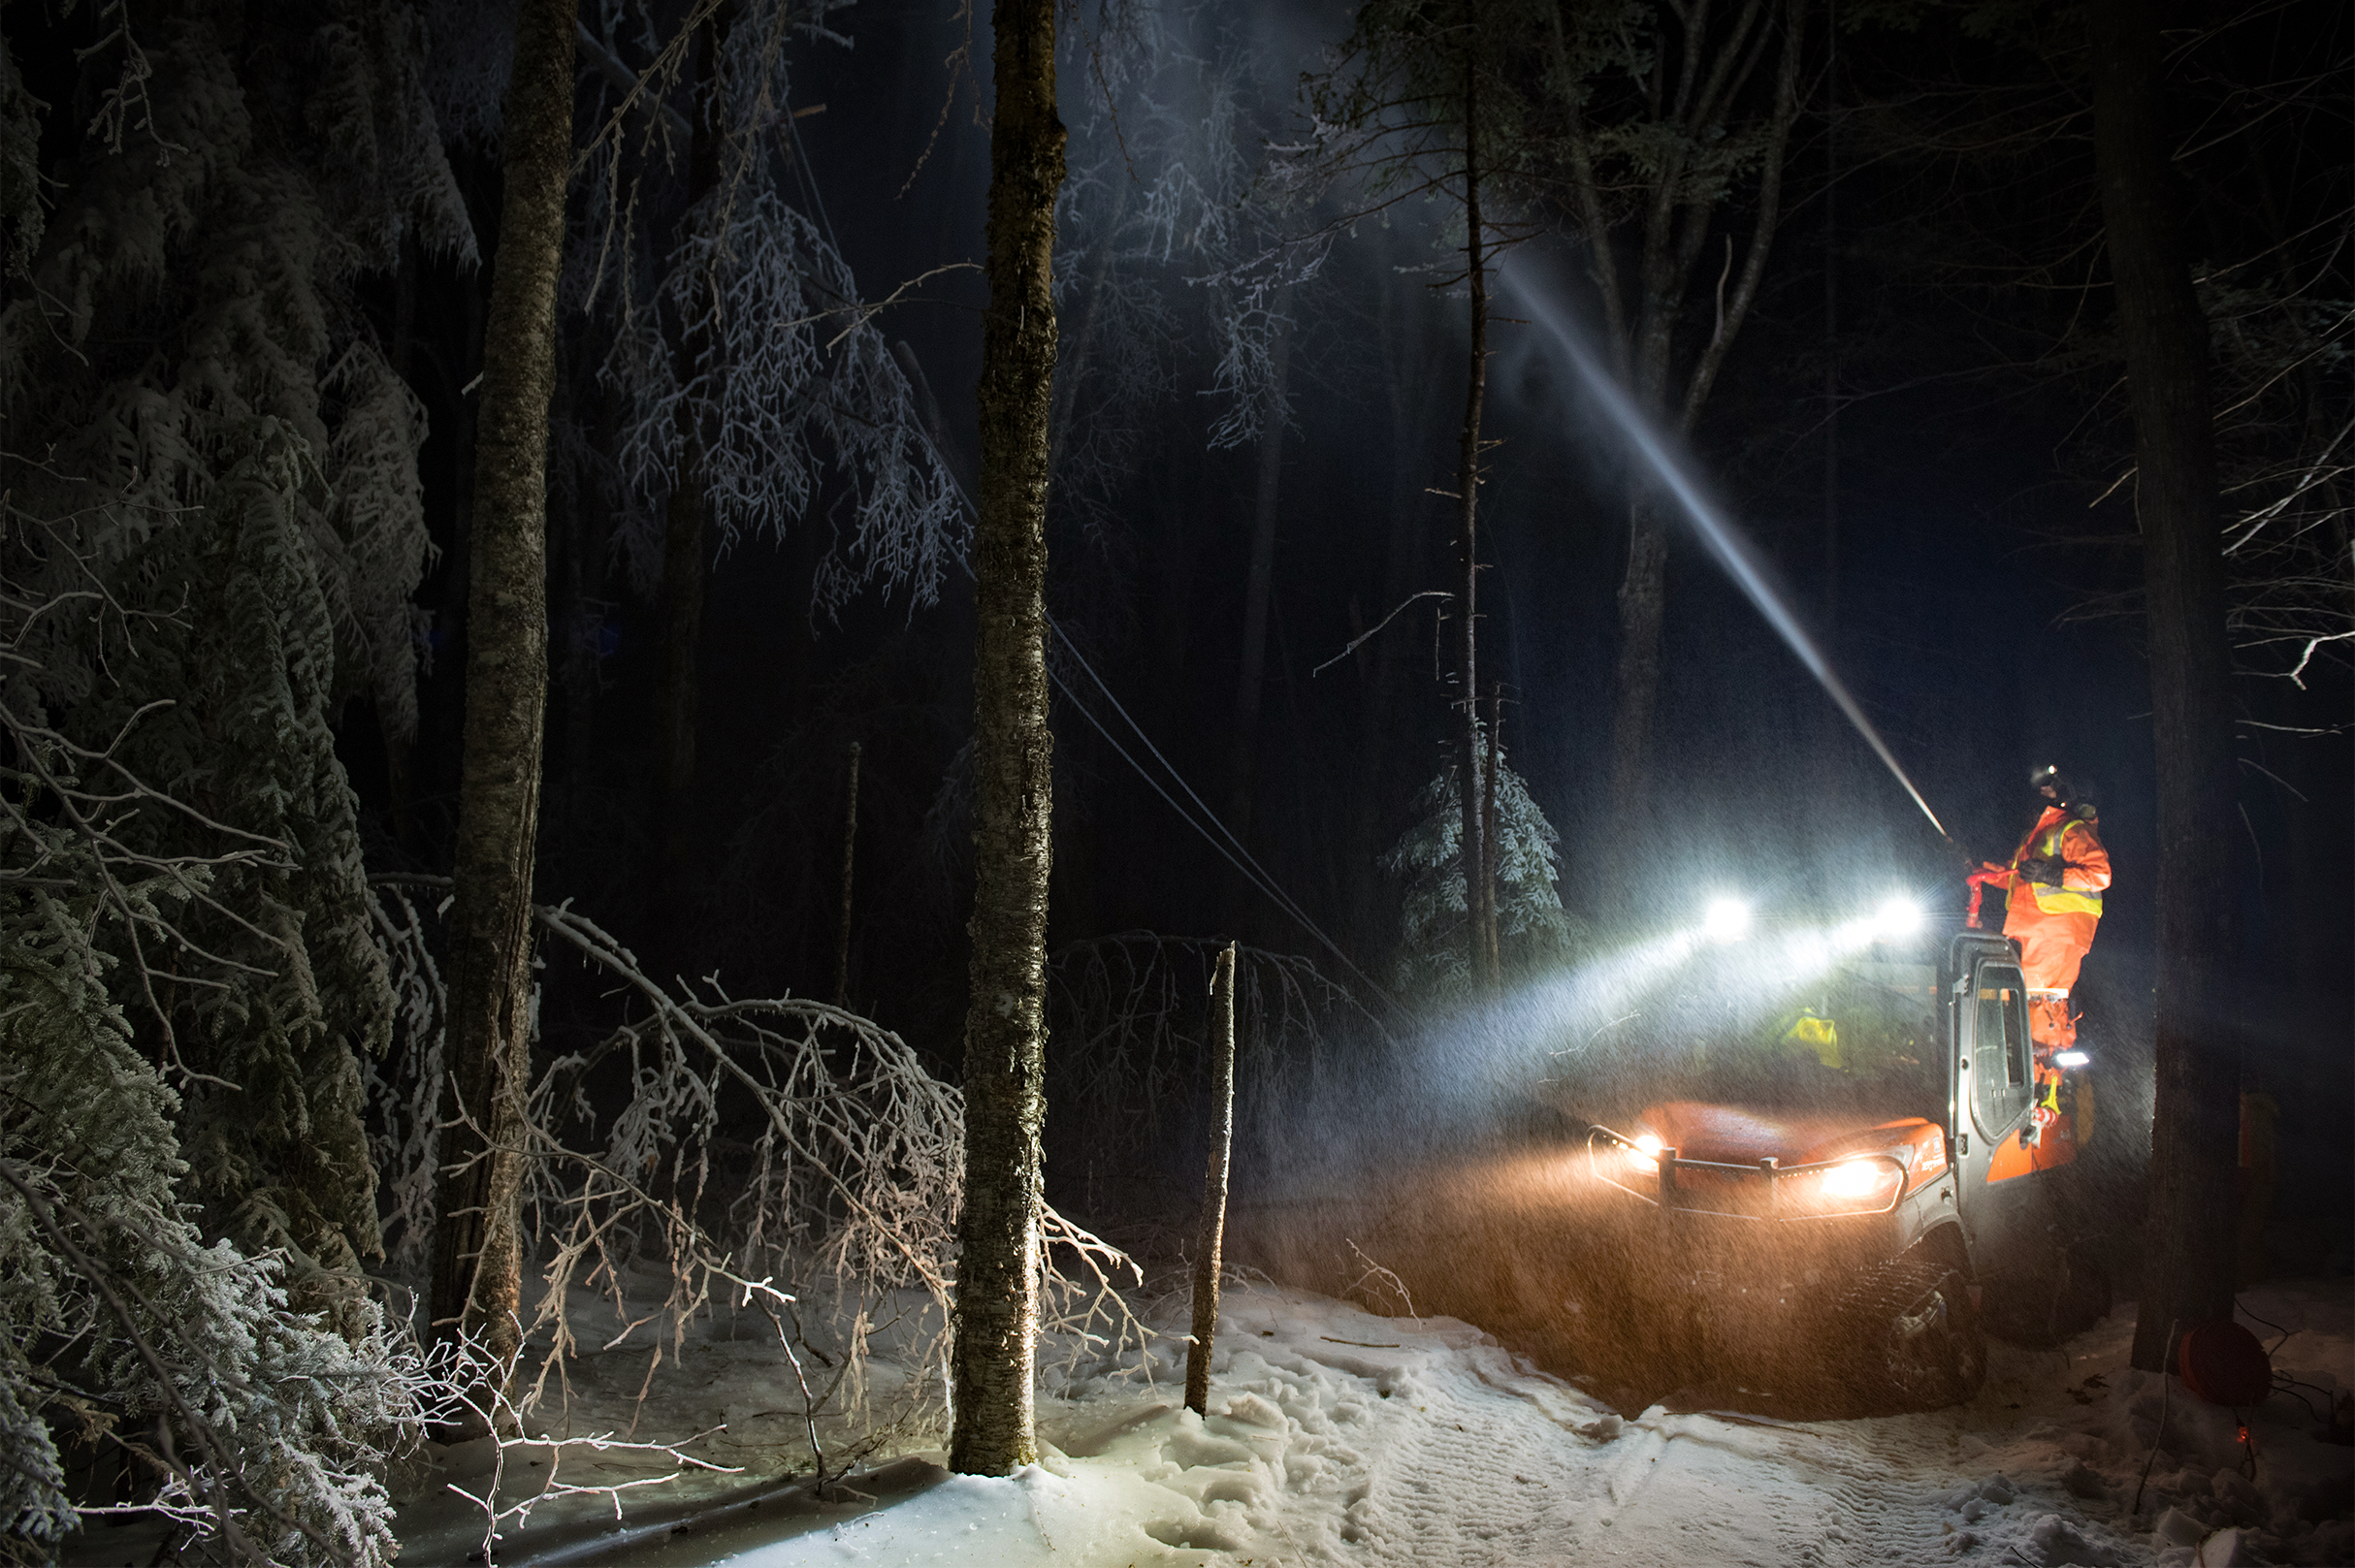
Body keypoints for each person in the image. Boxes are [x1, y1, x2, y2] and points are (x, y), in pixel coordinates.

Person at [1982, 763, 2112, 1053]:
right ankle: (2033, 1071)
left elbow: (2100, 875)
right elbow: (2016, 878)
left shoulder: (2073, 829)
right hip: (2038, 928)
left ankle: (2042, 1072)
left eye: (2052, 785)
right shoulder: (2045, 831)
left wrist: (2048, 874)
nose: (2043, 790)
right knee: (2027, 1001)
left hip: (2056, 931)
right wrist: (1978, 868)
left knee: (2037, 1002)